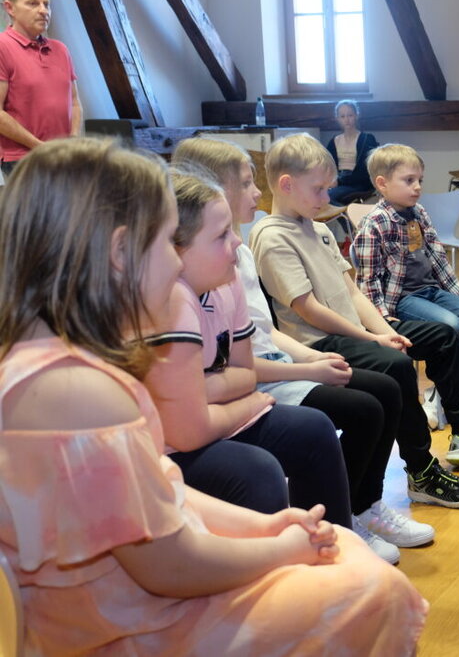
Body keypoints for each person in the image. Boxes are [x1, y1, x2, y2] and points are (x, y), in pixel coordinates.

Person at [0, 137, 426, 655]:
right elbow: (166, 566)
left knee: (353, 567)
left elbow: (158, 492)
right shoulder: (77, 394)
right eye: (163, 242)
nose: (177, 264)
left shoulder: (62, 365)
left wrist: (266, 526)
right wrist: (279, 550)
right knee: (370, 591)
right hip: (117, 623)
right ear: (118, 253)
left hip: (133, 591)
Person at [172, 137, 435, 563]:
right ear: (216, 191)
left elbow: (259, 337)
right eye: (246, 182)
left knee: (389, 382)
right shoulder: (228, 260)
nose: (257, 192)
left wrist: (312, 359)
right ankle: (340, 523)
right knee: (362, 405)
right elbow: (224, 371)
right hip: (263, 378)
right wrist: (309, 366)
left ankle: (362, 507)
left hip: (270, 368)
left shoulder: (235, 255)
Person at [249, 133, 459, 508]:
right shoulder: (272, 236)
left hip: (354, 332)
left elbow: (355, 294)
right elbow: (309, 310)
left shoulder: (320, 229)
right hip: (319, 342)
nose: (328, 199)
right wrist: (372, 340)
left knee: (442, 335)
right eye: (319, 190)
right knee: (395, 365)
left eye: (329, 188)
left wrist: (388, 332)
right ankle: (421, 471)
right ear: (286, 185)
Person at [145, 170, 378, 559]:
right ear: (178, 248)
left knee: (314, 429)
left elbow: (246, 370)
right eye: (221, 235)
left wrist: (215, 387)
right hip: (171, 443)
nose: (237, 242)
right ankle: (276, 576)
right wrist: (249, 401)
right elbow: (188, 431)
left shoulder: (228, 277)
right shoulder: (174, 299)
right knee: (257, 470)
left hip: (211, 417)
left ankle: (330, 552)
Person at [352, 142, 459, 428]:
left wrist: (457, 296)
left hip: (432, 291)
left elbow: (438, 258)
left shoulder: (419, 213)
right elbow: (367, 279)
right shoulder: (375, 224)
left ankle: (441, 393)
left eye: (419, 180)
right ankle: (451, 394)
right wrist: (382, 317)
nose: (417, 187)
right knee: (450, 326)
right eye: (408, 181)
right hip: (402, 299)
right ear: (383, 184)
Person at [0, 0, 80, 178]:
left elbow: (75, 102)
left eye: (47, 4)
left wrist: (74, 141)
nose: (44, 10)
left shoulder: (61, 49)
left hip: (64, 156)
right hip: (23, 159)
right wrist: (41, 147)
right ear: (10, 8)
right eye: (33, 3)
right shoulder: (2, 47)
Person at [325, 99, 378, 205]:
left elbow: (365, 171)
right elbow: (327, 164)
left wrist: (339, 181)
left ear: (356, 116)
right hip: (338, 181)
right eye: (342, 116)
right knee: (315, 195)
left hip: (359, 183)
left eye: (350, 115)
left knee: (327, 197)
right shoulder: (334, 141)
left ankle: (347, 219)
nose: (346, 120)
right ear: (337, 119)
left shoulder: (367, 139)